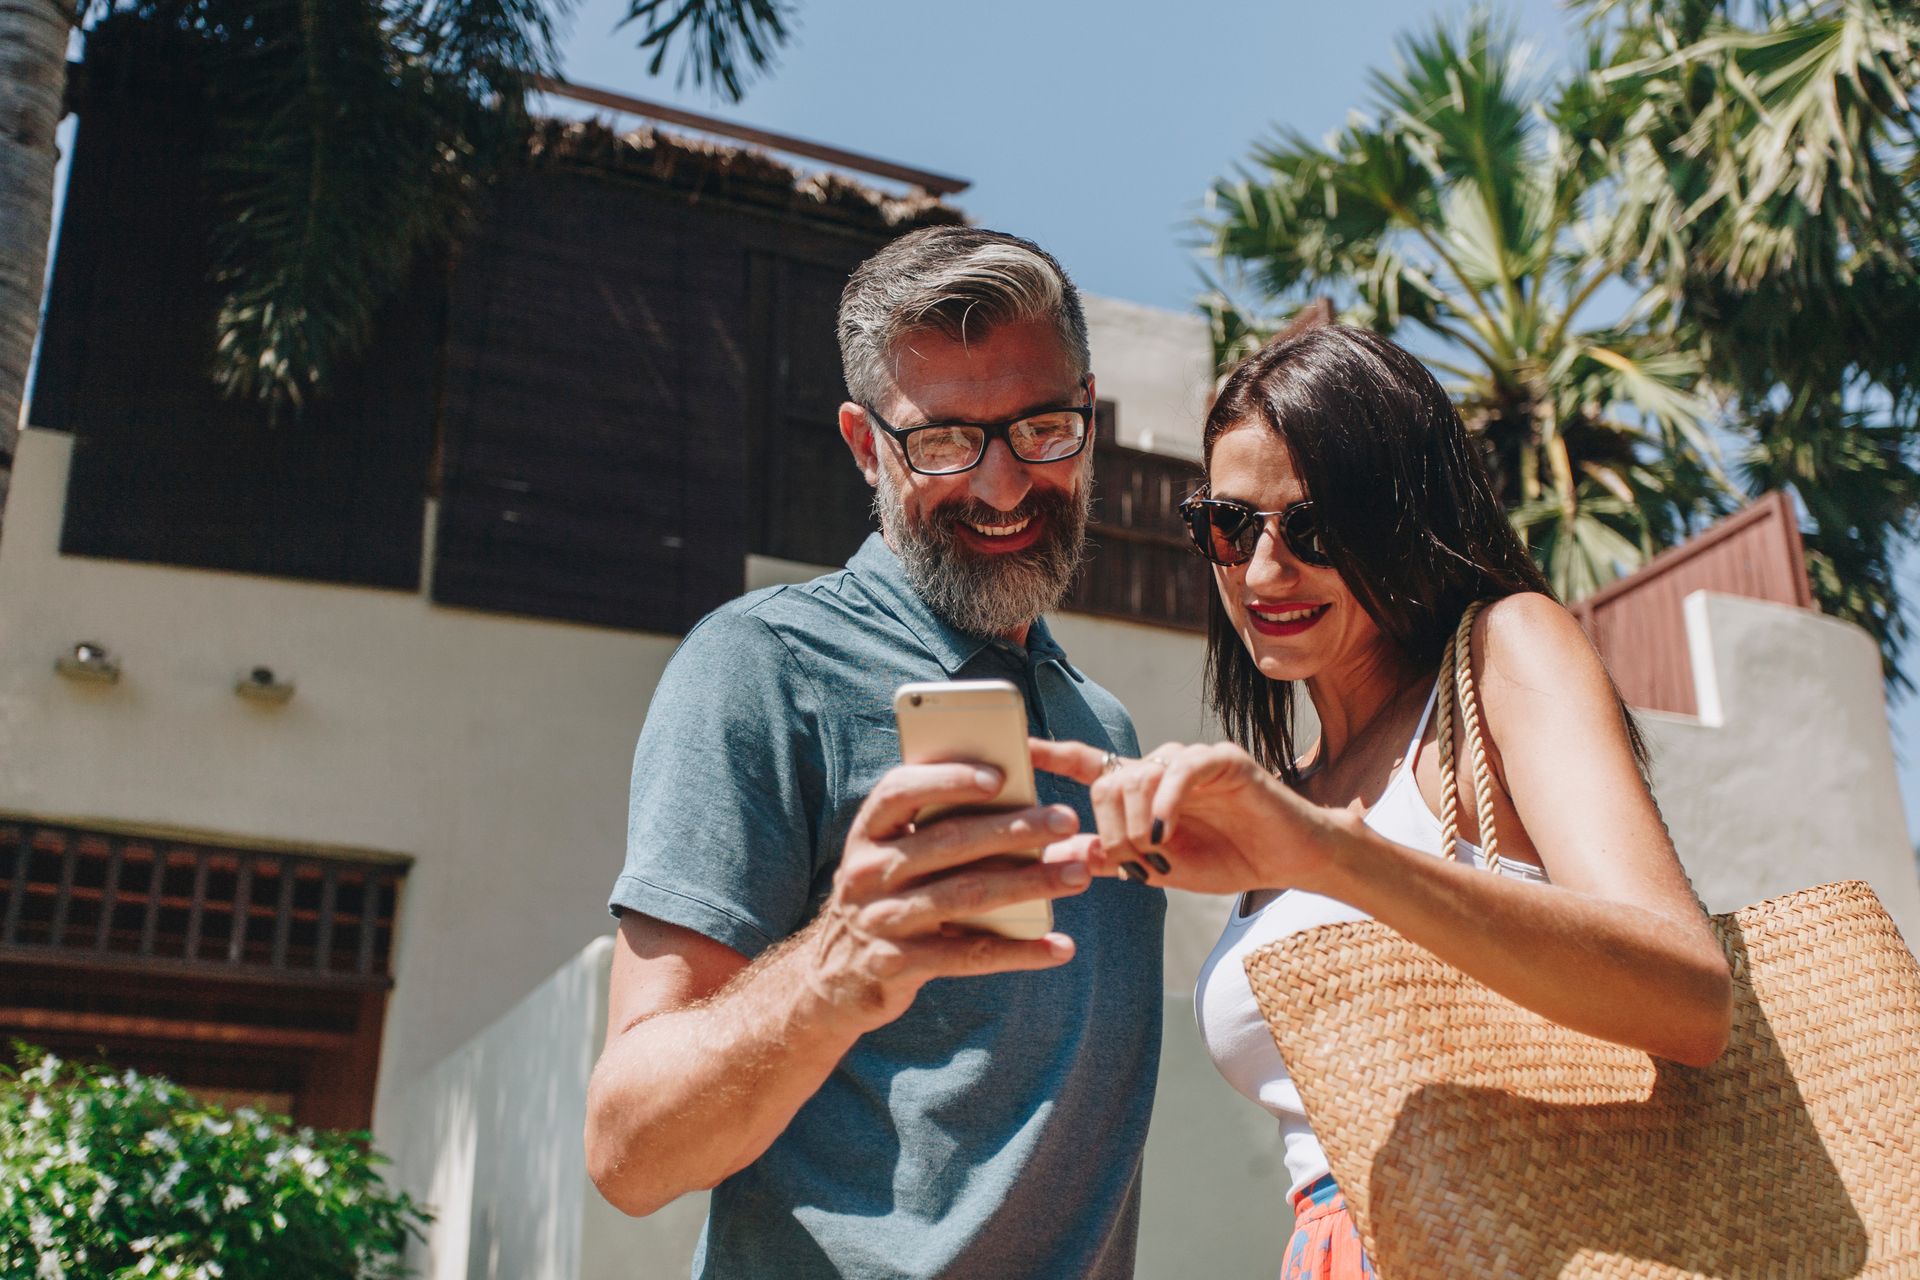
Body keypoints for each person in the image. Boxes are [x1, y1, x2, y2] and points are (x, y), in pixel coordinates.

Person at [1033, 325, 1733, 1278]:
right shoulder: (1291, 793)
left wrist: (1334, 854)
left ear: (1405, 521)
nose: (1267, 573)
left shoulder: (1505, 653)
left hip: (1536, 1241)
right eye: (1230, 527)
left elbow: (1691, 996)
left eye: (1316, 529)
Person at [585, 227, 1165, 1278]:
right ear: (864, 443)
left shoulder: (1104, 730)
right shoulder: (762, 666)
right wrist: (842, 963)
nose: (1000, 487)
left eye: (1042, 428)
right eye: (942, 441)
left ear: (1090, 410)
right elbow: (629, 1150)